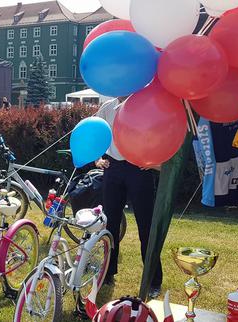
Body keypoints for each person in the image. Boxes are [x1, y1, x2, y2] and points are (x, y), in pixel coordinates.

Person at [95, 97, 162, 298]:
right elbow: (97, 134)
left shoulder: (146, 103)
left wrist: (155, 161)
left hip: (139, 168)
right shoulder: (107, 107)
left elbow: (159, 133)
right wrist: (98, 158)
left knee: (146, 226)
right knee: (110, 224)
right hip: (113, 168)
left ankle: (153, 279)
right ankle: (107, 273)